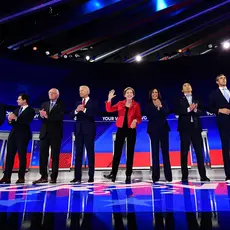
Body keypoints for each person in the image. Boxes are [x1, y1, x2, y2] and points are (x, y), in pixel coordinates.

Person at [104, 87, 142, 183]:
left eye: (131, 93)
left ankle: (128, 175)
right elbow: (109, 110)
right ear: (124, 95)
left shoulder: (136, 105)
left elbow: (139, 117)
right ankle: (113, 174)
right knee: (117, 152)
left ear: (133, 95)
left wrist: (135, 120)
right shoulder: (120, 103)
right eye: (127, 92)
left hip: (131, 130)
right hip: (121, 129)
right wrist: (109, 99)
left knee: (130, 153)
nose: (129, 94)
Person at [176, 83, 210, 182]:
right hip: (184, 129)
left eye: (189, 85)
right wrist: (188, 109)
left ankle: (203, 176)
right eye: (185, 85)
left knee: (199, 153)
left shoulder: (197, 98)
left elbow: (202, 110)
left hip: (196, 128)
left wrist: (195, 110)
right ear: (182, 90)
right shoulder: (179, 100)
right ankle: (184, 176)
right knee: (184, 153)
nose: (187, 86)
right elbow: (178, 110)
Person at [0, 94, 35, 184]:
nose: (17, 101)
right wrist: (10, 120)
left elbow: (25, 122)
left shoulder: (30, 111)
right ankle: (6, 177)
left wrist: (15, 119)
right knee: (9, 156)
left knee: (22, 156)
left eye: (19, 99)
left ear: (25, 100)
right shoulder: (16, 110)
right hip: (13, 135)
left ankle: (21, 177)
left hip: (23, 136)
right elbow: (11, 122)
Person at [33, 88, 65, 184]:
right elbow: (39, 117)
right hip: (44, 133)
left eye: (53, 93)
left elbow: (60, 117)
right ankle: (43, 176)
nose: (50, 94)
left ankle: (54, 176)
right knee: (43, 155)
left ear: (57, 95)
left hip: (55, 134)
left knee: (54, 156)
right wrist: (42, 115)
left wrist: (47, 116)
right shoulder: (44, 104)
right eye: (49, 93)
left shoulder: (61, 105)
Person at [70, 85, 98, 183]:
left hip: (89, 131)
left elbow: (94, 113)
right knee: (78, 154)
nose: (80, 92)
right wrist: (77, 110)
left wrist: (84, 110)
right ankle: (77, 177)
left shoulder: (93, 102)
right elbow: (71, 114)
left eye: (82, 90)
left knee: (90, 154)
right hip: (78, 131)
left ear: (87, 91)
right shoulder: (78, 103)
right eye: (79, 90)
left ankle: (91, 177)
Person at [144, 88, 172, 183]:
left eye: (156, 92)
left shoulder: (163, 102)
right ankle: (155, 177)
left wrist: (160, 106)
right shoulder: (148, 105)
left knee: (165, 153)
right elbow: (150, 116)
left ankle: (168, 176)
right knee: (155, 153)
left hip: (164, 129)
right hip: (153, 130)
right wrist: (156, 108)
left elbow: (165, 114)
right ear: (150, 94)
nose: (155, 94)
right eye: (153, 92)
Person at [209, 74, 230, 181]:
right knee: (226, 147)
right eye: (221, 78)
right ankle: (229, 173)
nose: (224, 79)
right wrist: (219, 110)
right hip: (223, 122)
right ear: (217, 82)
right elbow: (210, 107)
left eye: (225, 78)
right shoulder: (214, 94)